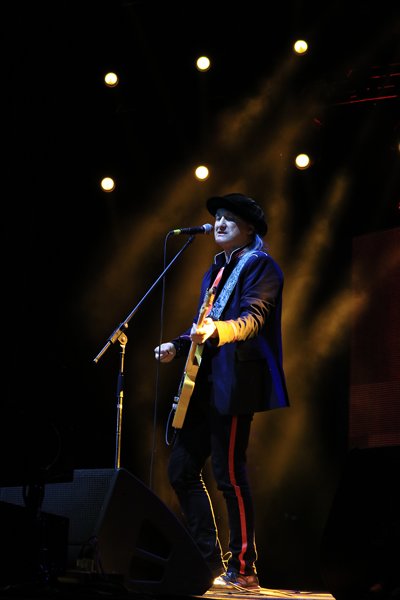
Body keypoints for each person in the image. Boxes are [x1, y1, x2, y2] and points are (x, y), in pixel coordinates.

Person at [154, 192, 289, 592]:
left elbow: (252, 319)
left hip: (233, 384)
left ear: (249, 229)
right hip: (202, 383)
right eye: (218, 217)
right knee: (181, 470)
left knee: (229, 475)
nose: (220, 222)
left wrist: (219, 330)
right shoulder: (216, 269)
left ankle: (244, 569)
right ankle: (208, 559)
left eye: (230, 217)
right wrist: (178, 344)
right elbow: (205, 322)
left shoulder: (260, 265)